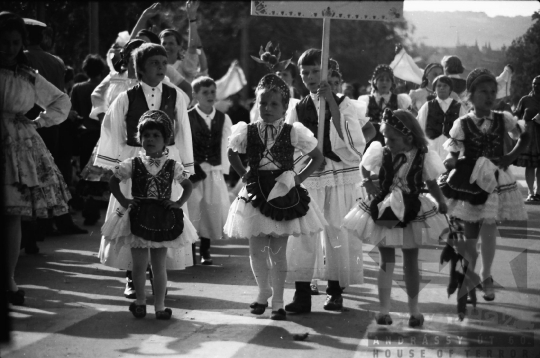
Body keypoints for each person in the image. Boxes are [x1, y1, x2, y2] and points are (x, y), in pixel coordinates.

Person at [95, 43, 195, 297]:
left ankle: (158, 275)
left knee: (163, 214)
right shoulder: (126, 96)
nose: (162, 67)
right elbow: (113, 128)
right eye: (155, 63)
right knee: (134, 216)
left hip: (167, 159)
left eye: (164, 62)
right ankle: (133, 276)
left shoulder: (175, 94)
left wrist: (185, 163)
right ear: (140, 68)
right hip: (135, 158)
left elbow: (183, 130)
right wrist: (118, 161)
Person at [225, 73, 326, 320]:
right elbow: (231, 153)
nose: (267, 109)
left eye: (274, 104)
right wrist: (243, 174)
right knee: (256, 249)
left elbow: (318, 158)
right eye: (262, 103)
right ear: (256, 104)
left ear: (284, 107)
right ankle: (263, 291)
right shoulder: (246, 131)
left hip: (283, 194)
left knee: (278, 251)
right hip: (255, 192)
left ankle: (278, 302)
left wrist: (298, 178)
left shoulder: (293, 132)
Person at [343, 108, 448, 327]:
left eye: (392, 138)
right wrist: (368, 182)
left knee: (411, 261)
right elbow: (364, 166)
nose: (387, 142)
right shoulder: (382, 152)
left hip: (411, 210)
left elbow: (430, 182)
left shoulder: (423, 155)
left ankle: (414, 310)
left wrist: (442, 201)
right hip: (386, 209)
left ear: (408, 136)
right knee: (386, 260)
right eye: (386, 137)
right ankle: (384, 310)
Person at [284, 48, 367, 313]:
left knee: (336, 231)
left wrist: (331, 103)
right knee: (304, 231)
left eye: (315, 71)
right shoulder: (297, 108)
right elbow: (289, 143)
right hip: (311, 175)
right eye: (304, 72)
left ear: (328, 73)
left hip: (339, 175)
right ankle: (302, 292)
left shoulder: (344, 104)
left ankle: (334, 290)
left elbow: (355, 143)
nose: (309, 77)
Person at [438, 68, 529, 303]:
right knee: (470, 234)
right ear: (470, 95)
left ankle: (486, 275)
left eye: (492, 92)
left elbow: (524, 136)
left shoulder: (503, 119)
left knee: (489, 231)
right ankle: (470, 275)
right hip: (472, 182)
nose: (489, 96)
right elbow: (454, 150)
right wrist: (451, 161)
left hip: (496, 180)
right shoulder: (463, 123)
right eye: (482, 92)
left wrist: (511, 156)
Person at [1, 11, 72, 305]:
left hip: (17, 147)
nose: (10, 48)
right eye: (3, 42)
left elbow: (60, 101)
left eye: (15, 42)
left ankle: (8, 281)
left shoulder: (28, 75)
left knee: (11, 215)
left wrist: (38, 122)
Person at [101, 110, 196, 320]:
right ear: (140, 139)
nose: (150, 140)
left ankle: (160, 306)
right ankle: (141, 301)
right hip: (138, 217)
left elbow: (188, 185)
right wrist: (124, 201)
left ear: (165, 141)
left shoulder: (173, 165)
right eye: (146, 136)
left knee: (159, 266)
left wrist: (178, 203)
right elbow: (113, 180)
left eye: (156, 136)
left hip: (163, 218)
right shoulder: (133, 163)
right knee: (139, 264)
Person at [187, 76, 232, 265]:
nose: (210, 95)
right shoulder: (187, 116)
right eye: (205, 92)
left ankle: (205, 248)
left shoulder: (223, 118)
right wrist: (187, 167)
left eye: (213, 91)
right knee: (192, 207)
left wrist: (223, 168)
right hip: (194, 171)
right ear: (195, 95)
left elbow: (226, 144)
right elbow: (185, 144)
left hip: (213, 171)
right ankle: (190, 248)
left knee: (211, 209)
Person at [358, 64, 412, 149]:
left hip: (392, 140)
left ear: (392, 83)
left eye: (388, 80)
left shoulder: (400, 100)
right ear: (375, 81)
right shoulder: (366, 101)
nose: (384, 83)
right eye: (381, 80)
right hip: (372, 140)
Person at [416, 75, 467, 160]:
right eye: (439, 86)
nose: (442, 88)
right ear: (434, 89)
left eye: (445, 86)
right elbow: (420, 125)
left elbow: (463, 127)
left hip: (451, 146)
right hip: (432, 144)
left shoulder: (458, 106)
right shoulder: (427, 106)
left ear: (450, 89)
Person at [70, 54, 107, 170]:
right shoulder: (107, 88)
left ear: (85, 70)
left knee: (85, 169)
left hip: (85, 136)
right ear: (101, 70)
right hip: (103, 136)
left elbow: (73, 112)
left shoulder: (78, 88)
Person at [513, 76, 540, 202]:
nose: (536, 86)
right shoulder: (525, 100)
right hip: (529, 135)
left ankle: (538, 191)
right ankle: (531, 192)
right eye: (534, 83)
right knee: (530, 165)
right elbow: (517, 115)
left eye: (539, 84)